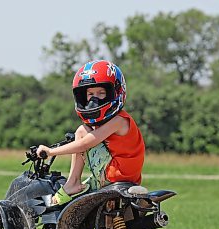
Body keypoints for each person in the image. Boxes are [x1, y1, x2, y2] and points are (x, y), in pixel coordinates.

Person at [37, 60, 145, 205]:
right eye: (90, 94)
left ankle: (73, 182)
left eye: (101, 93)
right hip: (128, 176)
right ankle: (75, 188)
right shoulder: (121, 120)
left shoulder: (118, 121)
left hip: (115, 175)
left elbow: (85, 144)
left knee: (82, 131)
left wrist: (51, 151)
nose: (94, 98)